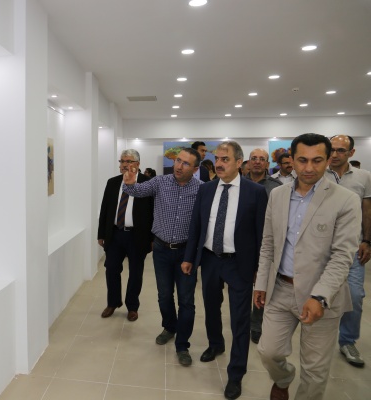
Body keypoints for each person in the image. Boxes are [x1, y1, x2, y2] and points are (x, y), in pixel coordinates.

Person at [254, 133, 361, 400]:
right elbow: (268, 244)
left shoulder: (345, 199)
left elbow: (342, 256)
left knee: (315, 370)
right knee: (268, 351)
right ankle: (283, 378)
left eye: (317, 160)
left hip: (322, 295)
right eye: (302, 160)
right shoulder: (277, 195)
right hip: (281, 288)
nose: (309, 167)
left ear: (328, 160)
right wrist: (261, 283)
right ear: (291, 159)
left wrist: (320, 296)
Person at [182, 141, 267, 399]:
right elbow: (196, 226)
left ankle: (236, 373)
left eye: (225, 159)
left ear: (239, 162)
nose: (218, 163)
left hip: (239, 263)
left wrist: (259, 268)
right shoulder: (206, 189)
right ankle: (215, 344)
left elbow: (262, 234)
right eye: (217, 158)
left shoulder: (255, 192)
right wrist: (189, 257)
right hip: (210, 259)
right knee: (211, 307)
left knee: (240, 319)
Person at [123, 148, 203, 366]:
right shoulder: (160, 182)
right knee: (164, 295)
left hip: (186, 252)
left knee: (186, 300)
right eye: (178, 161)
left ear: (196, 169)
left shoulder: (201, 189)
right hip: (161, 250)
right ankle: (169, 327)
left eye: (186, 163)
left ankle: (182, 344)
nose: (179, 166)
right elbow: (137, 190)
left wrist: (195, 255)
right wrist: (129, 183)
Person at [325, 135, 371, 368]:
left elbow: (367, 209)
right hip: (322, 247)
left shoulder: (364, 177)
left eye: (341, 150)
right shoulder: (319, 174)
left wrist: (367, 240)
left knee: (354, 295)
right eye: (331, 149)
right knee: (319, 294)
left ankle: (347, 341)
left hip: (352, 247)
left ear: (351, 153)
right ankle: (320, 337)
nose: (335, 154)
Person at [97, 150, 154, 321]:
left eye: (128, 161)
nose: (124, 164)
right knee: (111, 269)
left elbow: (153, 212)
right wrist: (101, 233)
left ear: (137, 164)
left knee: (135, 272)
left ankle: (132, 306)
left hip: (137, 236)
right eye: (122, 161)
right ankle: (113, 302)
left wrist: (152, 238)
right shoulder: (113, 182)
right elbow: (105, 209)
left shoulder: (147, 183)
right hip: (115, 234)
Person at [244, 148, 282, 344]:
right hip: (242, 244)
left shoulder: (277, 187)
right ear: (248, 162)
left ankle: (256, 324)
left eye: (262, 159)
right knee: (241, 286)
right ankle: (241, 319)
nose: (257, 162)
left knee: (261, 284)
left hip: (266, 244)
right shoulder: (238, 183)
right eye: (254, 158)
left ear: (267, 164)